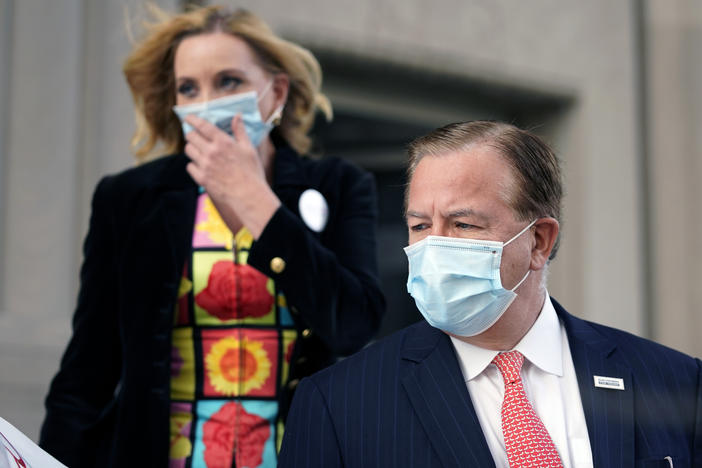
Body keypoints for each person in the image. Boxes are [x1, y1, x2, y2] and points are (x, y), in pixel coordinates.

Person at [39, 5, 385, 468]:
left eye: (229, 82)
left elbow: (354, 325)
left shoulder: (339, 185)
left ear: (275, 91)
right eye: (189, 88)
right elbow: (88, 371)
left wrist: (255, 202)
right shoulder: (131, 199)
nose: (207, 102)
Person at [278, 121, 702, 467]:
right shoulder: (338, 403)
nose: (434, 248)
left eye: (463, 225)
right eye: (421, 226)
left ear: (539, 241)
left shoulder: (677, 384)